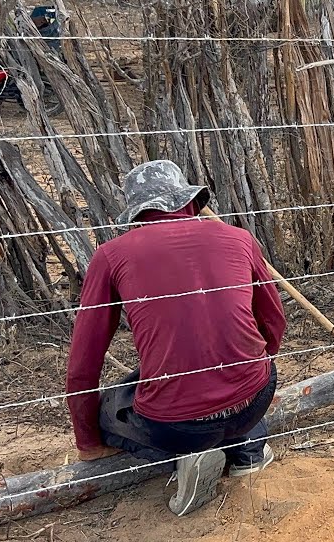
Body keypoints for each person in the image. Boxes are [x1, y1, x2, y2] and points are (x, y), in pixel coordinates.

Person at [65, 160, 287, 515]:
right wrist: (254, 373)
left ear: (138, 213)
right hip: (256, 398)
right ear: (190, 200)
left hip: (175, 427)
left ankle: (185, 459)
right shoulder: (239, 238)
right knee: (188, 377)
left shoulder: (111, 256)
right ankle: (247, 451)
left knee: (111, 407)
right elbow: (274, 323)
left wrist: (88, 442)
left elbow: (82, 367)